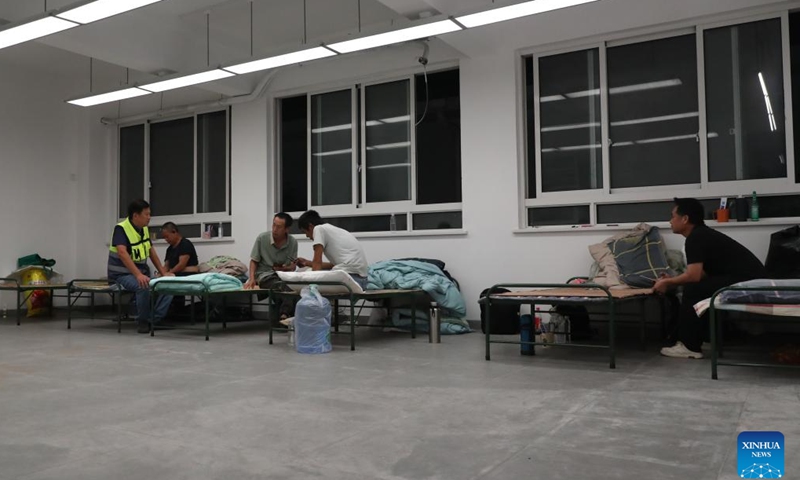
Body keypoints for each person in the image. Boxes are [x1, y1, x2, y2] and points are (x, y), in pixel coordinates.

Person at [656, 198, 766, 359]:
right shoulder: (701, 234)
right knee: (701, 287)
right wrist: (671, 279)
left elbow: (693, 277)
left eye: (673, 216)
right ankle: (706, 338)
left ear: (685, 219)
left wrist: (667, 282)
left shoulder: (696, 238)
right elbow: (700, 274)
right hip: (746, 278)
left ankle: (689, 346)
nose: (670, 221)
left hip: (751, 282)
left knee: (694, 289)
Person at [107, 199, 174, 333]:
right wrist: (138, 275)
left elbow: (151, 251)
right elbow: (122, 253)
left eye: (150, 214)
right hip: (121, 275)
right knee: (142, 285)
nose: (149, 217)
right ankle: (142, 322)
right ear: (135, 215)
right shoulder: (121, 228)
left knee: (169, 283)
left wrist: (163, 272)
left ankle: (155, 320)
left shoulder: (144, 229)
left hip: (140, 272)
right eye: (146, 214)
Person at [243, 213, 298, 321]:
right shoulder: (262, 238)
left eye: (279, 227)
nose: (274, 229)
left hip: (283, 275)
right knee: (280, 285)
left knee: (295, 287)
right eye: (273, 225)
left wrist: (283, 269)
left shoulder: (292, 242)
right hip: (265, 275)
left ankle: (281, 317)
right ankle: (285, 314)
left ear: (286, 229)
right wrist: (252, 278)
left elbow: (292, 267)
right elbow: (254, 261)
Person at [296, 210, 369, 289]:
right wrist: (307, 263)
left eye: (305, 232)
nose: (307, 236)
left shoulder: (318, 229)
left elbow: (317, 262)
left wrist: (313, 287)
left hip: (350, 278)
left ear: (310, 226)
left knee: (304, 274)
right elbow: (333, 265)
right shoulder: (334, 230)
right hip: (362, 280)